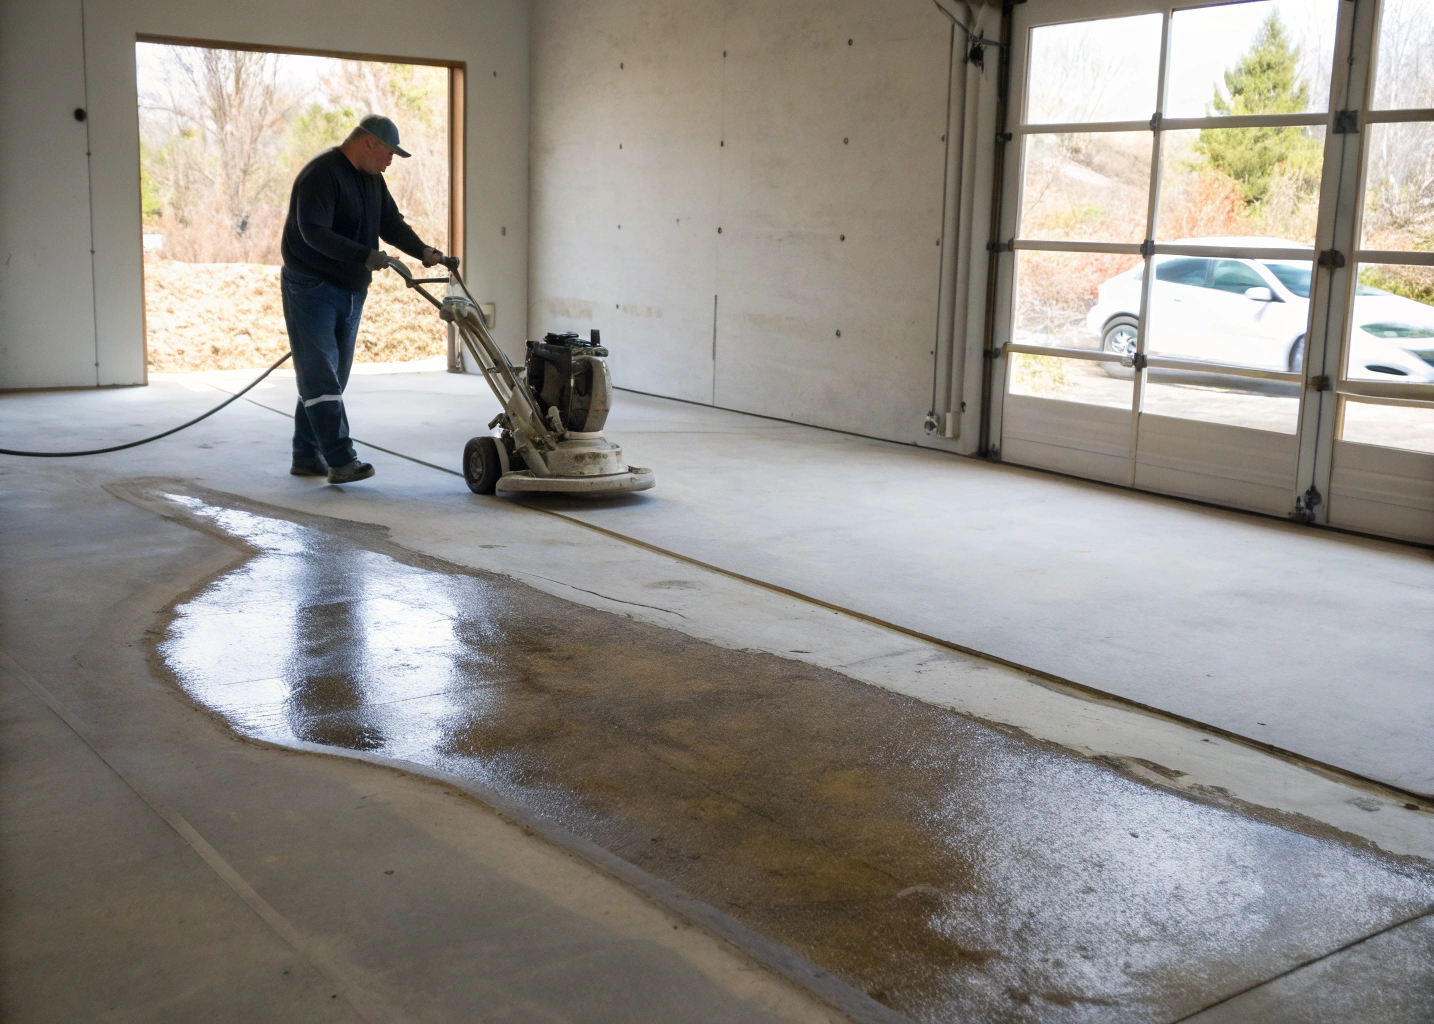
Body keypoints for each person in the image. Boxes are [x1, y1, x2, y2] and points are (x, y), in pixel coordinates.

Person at [279, 114, 444, 483]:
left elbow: (390, 222)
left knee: (331, 378)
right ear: (368, 142)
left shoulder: (373, 180)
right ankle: (340, 459)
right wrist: (365, 255)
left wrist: (423, 251)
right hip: (311, 287)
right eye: (388, 153)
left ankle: (306, 456)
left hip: (352, 289)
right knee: (321, 375)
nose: (390, 161)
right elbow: (313, 232)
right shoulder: (322, 174)